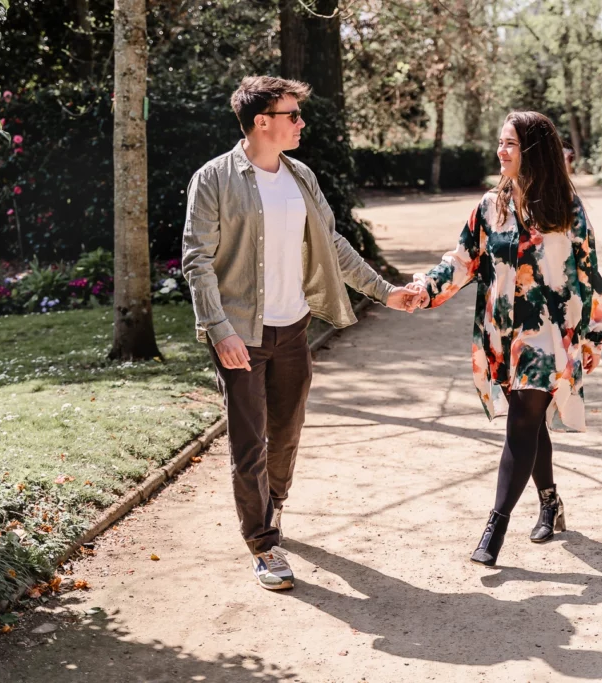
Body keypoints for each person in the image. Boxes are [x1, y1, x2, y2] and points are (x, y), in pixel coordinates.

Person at [182, 76, 424, 591]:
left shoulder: (301, 176)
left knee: (286, 434)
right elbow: (196, 261)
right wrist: (218, 329)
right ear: (261, 121)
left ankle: (274, 507)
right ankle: (264, 544)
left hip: (293, 329)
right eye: (292, 114)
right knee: (249, 442)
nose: (301, 122)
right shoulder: (214, 179)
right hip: (239, 333)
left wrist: (385, 291)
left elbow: (331, 244)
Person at [412, 111, 602, 567]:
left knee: (524, 416)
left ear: (533, 150)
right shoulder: (491, 206)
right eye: (500, 142)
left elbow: (588, 273)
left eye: (510, 143)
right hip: (501, 332)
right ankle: (549, 500)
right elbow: (462, 260)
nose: (501, 151)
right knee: (531, 418)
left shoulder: (567, 208)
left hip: (548, 332)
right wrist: (423, 289)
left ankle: (495, 525)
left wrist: (593, 339)